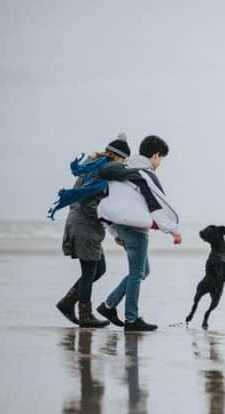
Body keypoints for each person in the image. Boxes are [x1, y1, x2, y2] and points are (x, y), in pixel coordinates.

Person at [96, 135, 182, 331]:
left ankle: (108, 305)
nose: (160, 164)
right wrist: (173, 230)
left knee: (143, 271)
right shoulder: (144, 174)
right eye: (161, 159)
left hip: (122, 227)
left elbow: (112, 201)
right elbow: (155, 205)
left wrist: (114, 232)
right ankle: (131, 319)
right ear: (155, 155)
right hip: (135, 230)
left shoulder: (124, 170)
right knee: (137, 274)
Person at [55, 137, 131, 328]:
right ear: (116, 156)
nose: (122, 166)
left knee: (100, 269)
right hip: (85, 226)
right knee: (89, 271)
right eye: (123, 161)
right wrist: (108, 219)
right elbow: (88, 204)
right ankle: (86, 315)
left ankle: (67, 302)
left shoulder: (93, 166)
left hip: (82, 224)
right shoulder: (100, 171)